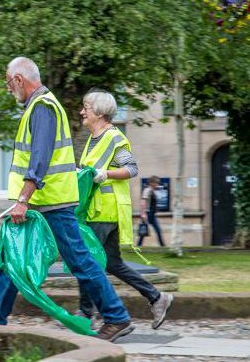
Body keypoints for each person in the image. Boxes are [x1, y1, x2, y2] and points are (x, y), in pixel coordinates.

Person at [0, 57, 134, 342]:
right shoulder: (39, 108)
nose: (8, 89)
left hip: (49, 203)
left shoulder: (42, 108)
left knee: (78, 260)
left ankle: (116, 316)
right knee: (12, 257)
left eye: (7, 82)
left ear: (18, 79)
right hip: (44, 201)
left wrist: (23, 198)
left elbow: (39, 157)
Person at [77, 88, 173, 330]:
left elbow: (131, 169)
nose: (81, 112)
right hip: (97, 211)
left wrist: (104, 173)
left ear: (98, 113)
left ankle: (86, 313)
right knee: (112, 263)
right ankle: (157, 297)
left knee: (86, 259)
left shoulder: (115, 138)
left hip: (105, 212)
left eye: (85, 108)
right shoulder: (93, 138)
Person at [138, 175, 166, 247]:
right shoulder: (147, 190)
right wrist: (143, 214)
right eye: (157, 183)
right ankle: (139, 245)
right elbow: (143, 202)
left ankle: (162, 246)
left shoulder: (152, 191)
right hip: (147, 214)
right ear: (152, 183)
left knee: (155, 230)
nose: (157, 184)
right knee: (144, 230)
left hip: (151, 214)